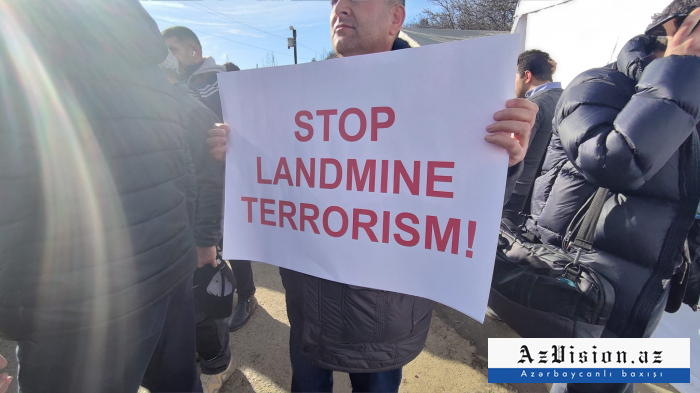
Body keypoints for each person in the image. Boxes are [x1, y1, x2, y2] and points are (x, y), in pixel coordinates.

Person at [207, 0, 538, 391]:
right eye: (333, 1)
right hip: (308, 309)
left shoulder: (450, 92)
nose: (340, 8)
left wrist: (505, 161)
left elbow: (460, 208)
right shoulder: (290, 96)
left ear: (396, 18)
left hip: (384, 321)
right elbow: (277, 185)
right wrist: (234, 154)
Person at [0, 0, 206, 392]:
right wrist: (191, 237)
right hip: (167, 272)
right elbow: (190, 166)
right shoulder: (152, 73)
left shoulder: (21, 51)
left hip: (75, 307)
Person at [526, 2, 700, 393]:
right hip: (588, 282)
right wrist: (681, 70)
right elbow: (612, 161)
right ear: (678, 26)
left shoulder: (688, 96)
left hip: (648, 288)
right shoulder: (601, 84)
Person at [162, 26, 259, 334]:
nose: (169, 58)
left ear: (194, 51)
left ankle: (247, 296)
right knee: (212, 240)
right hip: (193, 178)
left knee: (231, 239)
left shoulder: (219, 81)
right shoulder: (173, 88)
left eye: (173, 51)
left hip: (225, 174)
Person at [159, 52, 234, 393]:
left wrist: (206, 241)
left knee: (203, 304)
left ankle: (218, 363)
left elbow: (212, 178)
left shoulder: (188, 111)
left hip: (190, 237)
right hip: (160, 237)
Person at [502, 50, 563, 227]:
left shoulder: (531, 107)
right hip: (547, 199)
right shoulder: (568, 99)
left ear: (527, 75)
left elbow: (511, 154)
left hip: (517, 196)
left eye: (514, 76)